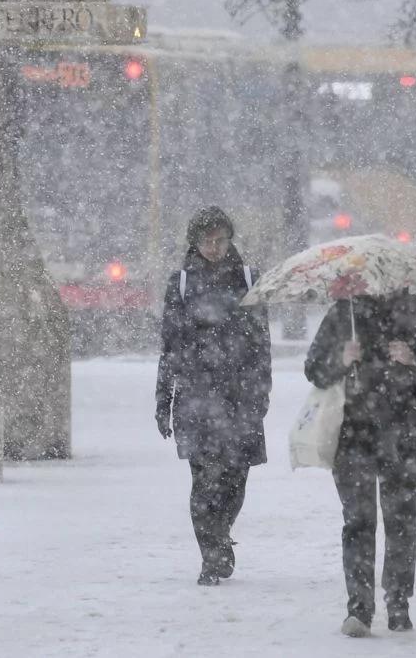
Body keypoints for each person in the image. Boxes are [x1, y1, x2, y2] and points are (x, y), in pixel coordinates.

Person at [305, 289, 416, 637]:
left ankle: (398, 602)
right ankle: (359, 608)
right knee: (357, 522)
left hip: (408, 435)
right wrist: (341, 360)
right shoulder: (343, 313)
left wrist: (415, 358)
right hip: (353, 435)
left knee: (402, 520)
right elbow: (314, 370)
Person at [155, 206, 272, 587]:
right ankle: (212, 552)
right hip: (196, 397)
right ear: (195, 242)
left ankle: (220, 532)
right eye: (206, 240)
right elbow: (169, 346)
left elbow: (261, 342)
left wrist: (262, 391)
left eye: (220, 239)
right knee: (204, 480)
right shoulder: (182, 283)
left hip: (241, 397)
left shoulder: (249, 280)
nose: (213, 247)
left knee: (236, 480)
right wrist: (163, 399)